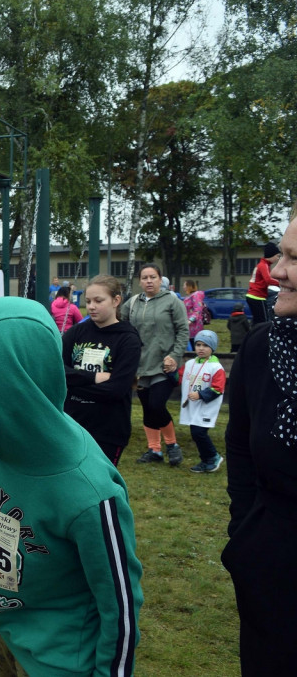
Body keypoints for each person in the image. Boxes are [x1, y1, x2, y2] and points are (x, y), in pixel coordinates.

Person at [0, 297, 142, 676]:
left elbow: (121, 609)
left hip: (63, 662)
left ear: (4, 385)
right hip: (8, 632)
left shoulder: (89, 494)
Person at [221, 209, 297, 673]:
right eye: (281, 254)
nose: (277, 271)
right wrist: (244, 536)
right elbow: (242, 448)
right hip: (273, 566)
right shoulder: (263, 346)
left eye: (293, 258)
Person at [62, 275, 142, 466]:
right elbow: (56, 371)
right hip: (71, 425)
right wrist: (94, 377)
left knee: (100, 488)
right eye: (88, 301)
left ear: (116, 301)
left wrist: (71, 384)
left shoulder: (128, 339)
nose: (91, 306)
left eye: (99, 301)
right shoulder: (76, 332)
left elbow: (115, 390)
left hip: (108, 430)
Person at [122, 263, 189, 466]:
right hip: (140, 366)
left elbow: (183, 331)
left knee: (156, 405)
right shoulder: (132, 303)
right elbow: (120, 325)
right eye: (144, 278)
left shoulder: (172, 302)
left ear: (160, 279)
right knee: (147, 409)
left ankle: (172, 445)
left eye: (153, 277)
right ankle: (155, 450)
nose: (149, 281)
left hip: (164, 365)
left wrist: (175, 356)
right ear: (139, 281)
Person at [176, 329, 226, 473]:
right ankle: (206, 460)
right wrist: (170, 372)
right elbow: (179, 378)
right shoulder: (190, 363)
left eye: (205, 345)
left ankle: (213, 457)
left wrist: (201, 395)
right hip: (192, 406)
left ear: (212, 348)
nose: (201, 348)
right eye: (198, 345)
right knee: (196, 433)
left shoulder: (216, 367)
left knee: (199, 433)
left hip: (206, 407)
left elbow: (218, 388)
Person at [246, 241, 280, 323]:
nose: (278, 259)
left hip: (252, 295)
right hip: (258, 296)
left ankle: (252, 334)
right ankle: (261, 335)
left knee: (257, 320)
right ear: (271, 255)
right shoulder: (264, 265)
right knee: (263, 320)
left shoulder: (262, 264)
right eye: (277, 256)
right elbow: (268, 279)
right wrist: (280, 284)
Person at [182, 280, 206, 350]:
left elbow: (198, 310)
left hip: (194, 326)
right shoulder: (188, 296)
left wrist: (190, 320)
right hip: (189, 327)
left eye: (184, 285)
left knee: (194, 345)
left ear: (189, 286)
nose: (183, 287)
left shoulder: (195, 295)